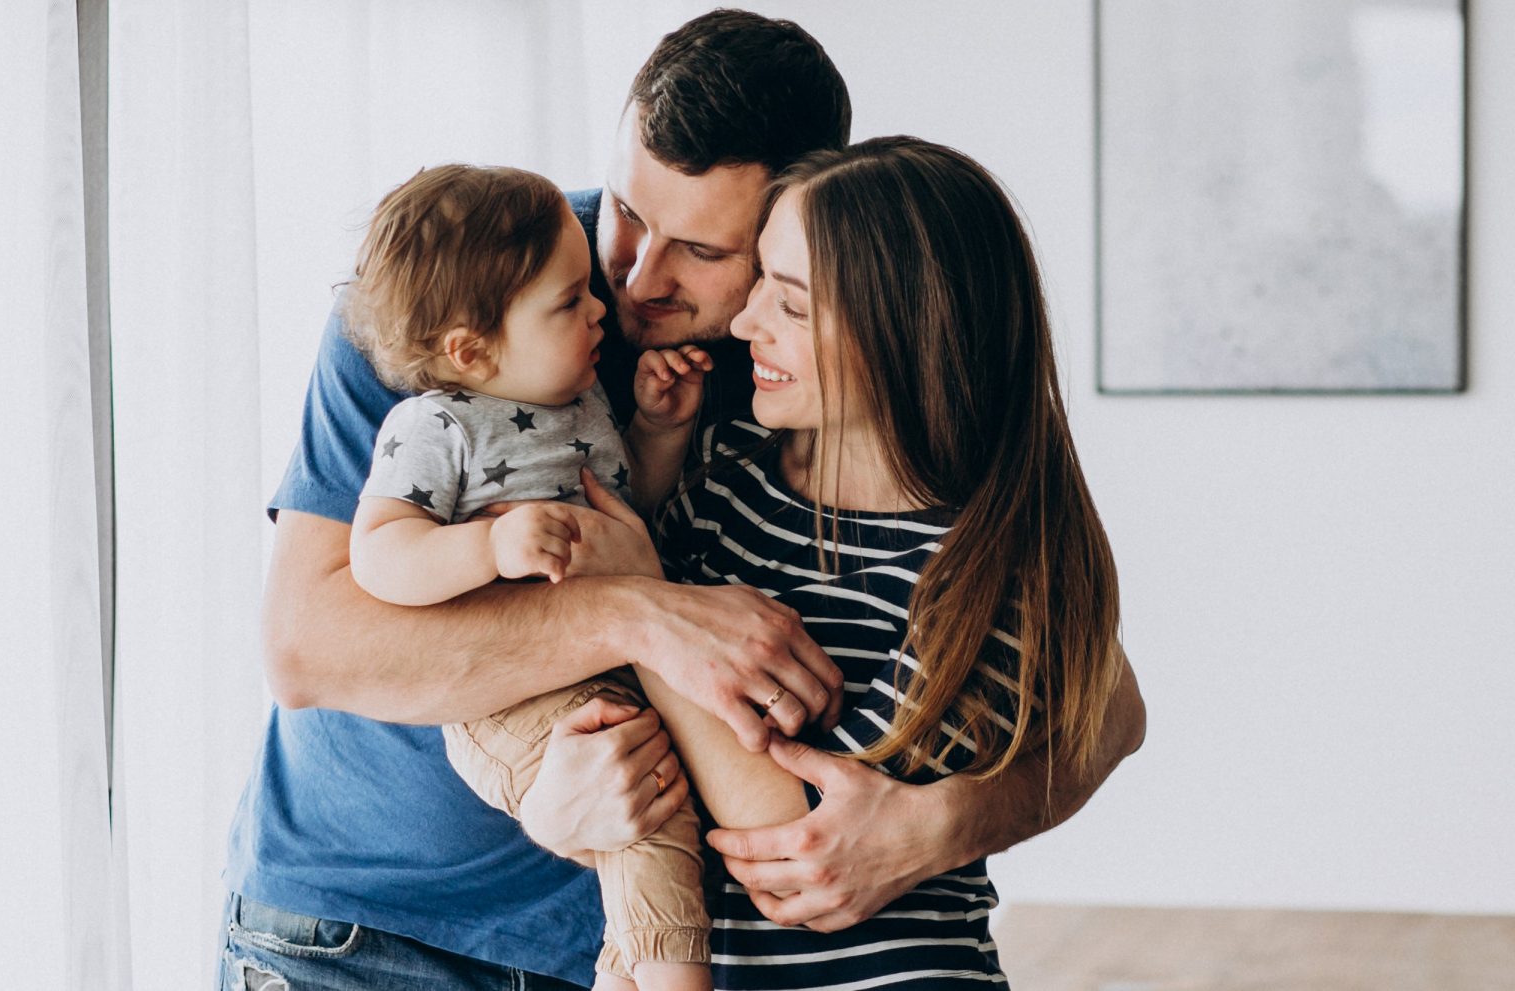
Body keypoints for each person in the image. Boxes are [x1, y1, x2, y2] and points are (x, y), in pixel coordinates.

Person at [227, 11, 1146, 991]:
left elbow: (1105, 702)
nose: (634, 272)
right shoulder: (461, 287)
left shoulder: (800, 359)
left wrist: (950, 821)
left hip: (629, 947)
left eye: (704, 251)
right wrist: (642, 614)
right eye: (625, 208)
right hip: (373, 929)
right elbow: (306, 646)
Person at [543, 134, 1128, 988]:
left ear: (905, 332)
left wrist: (642, 605)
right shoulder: (726, 483)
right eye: (757, 289)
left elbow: (793, 837)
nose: (745, 326)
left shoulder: (985, 565)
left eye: (789, 302)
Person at [343, 162, 719, 991]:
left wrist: (657, 431)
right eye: (568, 302)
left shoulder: (581, 404)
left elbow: (629, 519)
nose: (599, 312)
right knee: (654, 823)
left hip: (597, 676)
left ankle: (626, 974)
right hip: (506, 702)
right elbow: (379, 554)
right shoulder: (433, 425)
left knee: (661, 814)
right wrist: (490, 550)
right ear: (471, 349)